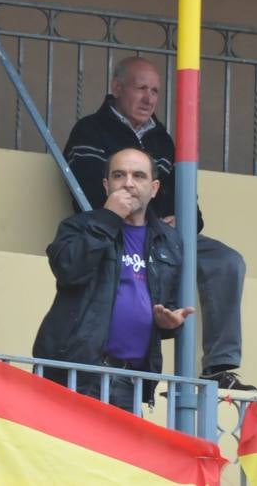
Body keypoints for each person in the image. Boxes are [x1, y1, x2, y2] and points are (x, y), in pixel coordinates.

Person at [63, 56, 255, 391]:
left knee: (226, 261)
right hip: (114, 234)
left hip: (163, 237)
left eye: (155, 91)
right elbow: (88, 197)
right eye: (141, 88)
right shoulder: (90, 130)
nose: (149, 98)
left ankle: (218, 367)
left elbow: (191, 209)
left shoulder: (163, 140)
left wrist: (181, 220)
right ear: (117, 87)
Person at [32, 147, 193, 411]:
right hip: (78, 374)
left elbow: (167, 303)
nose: (128, 183)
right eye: (119, 175)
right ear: (107, 185)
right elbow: (68, 270)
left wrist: (170, 323)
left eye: (138, 176)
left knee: (122, 454)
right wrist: (108, 218)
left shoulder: (169, 241)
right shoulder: (79, 226)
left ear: (154, 188)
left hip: (131, 379)